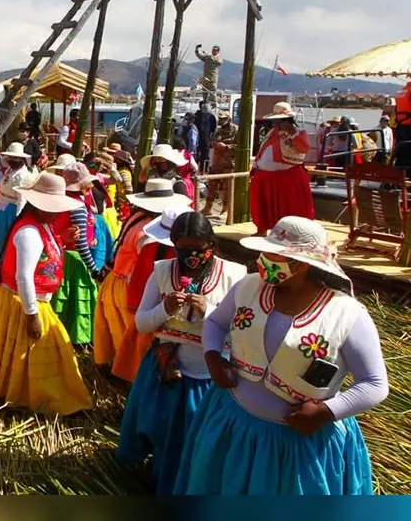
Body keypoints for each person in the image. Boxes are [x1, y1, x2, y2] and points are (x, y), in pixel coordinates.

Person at [175, 217, 387, 495]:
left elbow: (374, 384)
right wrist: (213, 358)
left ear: (301, 264)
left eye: (272, 256)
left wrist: (326, 412)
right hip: (232, 424)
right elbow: (215, 322)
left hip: (297, 449)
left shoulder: (346, 315)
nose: (262, 261)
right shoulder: (248, 288)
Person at [118, 212, 247, 495]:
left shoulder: (235, 275)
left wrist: (208, 312)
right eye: (183, 249)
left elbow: (242, 331)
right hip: (167, 368)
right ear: (173, 244)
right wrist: (164, 309)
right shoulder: (163, 271)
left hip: (209, 375)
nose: (191, 257)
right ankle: (163, 481)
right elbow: (142, 323)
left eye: (198, 249)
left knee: (200, 437)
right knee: (165, 432)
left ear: (211, 244)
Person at [0, 172, 94, 415]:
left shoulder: (41, 226)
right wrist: (32, 314)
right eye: (52, 207)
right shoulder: (29, 232)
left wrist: (62, 239)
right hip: (21, 303)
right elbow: (24, 276)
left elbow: (41, 256)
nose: (56, 212)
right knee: (34, 352)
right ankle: (33, 398)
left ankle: (21, 395)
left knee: (19, 354)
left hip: (25, 301)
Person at [94, 179, 190, 378]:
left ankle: (117, 371)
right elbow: (143, 270)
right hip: (131, 286)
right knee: (132, 338)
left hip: (116, 279)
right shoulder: (149, 234)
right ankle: (131, 376)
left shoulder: (137, 216)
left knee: (116, 332)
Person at [49, 160, 99, 344]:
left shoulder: (61, 200)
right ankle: (77, 339)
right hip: (75, 259)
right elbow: (80, 243)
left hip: (60, 255)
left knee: (63, 299)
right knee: (78, 299)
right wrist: (94, 269)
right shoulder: (76, 205)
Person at [249, 102, 314, 237]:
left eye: (279, 121)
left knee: (288, 207)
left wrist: (293, 134)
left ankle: (288, 234)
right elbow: (262, 150)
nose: (276, 124)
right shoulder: (272, 134)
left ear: (288, 120)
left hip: (287, 177)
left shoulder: (299, 133)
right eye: (276, 121)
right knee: (263, 205)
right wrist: (255, 167)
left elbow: (304, 148)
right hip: (265, 177)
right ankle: (262, 230)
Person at [0, 142, 33, 255]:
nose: (10, 160)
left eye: (14, 158)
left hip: (9, 210)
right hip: (1, 206)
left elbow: (22, 199)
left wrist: (18, 217)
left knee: (4, 236)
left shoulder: (22, 175)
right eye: (10, 157)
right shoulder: (10, 170)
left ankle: (2, 257)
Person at [201, 111, 238, 216]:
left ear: (229, 119)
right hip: (217, 162)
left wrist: (226, 147)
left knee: (227, 188)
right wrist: (214, 144)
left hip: (229, 163)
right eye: (220, 119)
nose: (221, 121)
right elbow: (212, 141)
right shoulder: (218, 130)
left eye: (223, 119)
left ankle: (225, 209)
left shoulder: (236, 131)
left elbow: (241, 148)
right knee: (211, 185)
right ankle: (208, 207)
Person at [194, 101, 216, 169]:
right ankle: (194, 169)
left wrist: (211, 139)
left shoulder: (211, 116)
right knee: (196, 154)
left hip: (206, 139)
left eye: (206, 107)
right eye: (203, 107)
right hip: (197, 139)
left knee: (205, 155)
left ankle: (204, 169)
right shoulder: (196, 115)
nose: (204, 108)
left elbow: (213, 129)